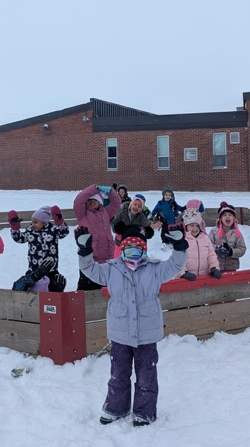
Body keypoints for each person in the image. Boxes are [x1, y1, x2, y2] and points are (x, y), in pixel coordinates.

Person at [75, 222, 188, 427]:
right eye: (128, 249)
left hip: (146, 333)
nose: (132, 254)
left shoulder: (154, 269)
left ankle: (144, 411)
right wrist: (85, 251)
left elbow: (175, 265)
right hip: (120, 334)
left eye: (137, 249)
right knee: (118, 374)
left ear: (143, 250)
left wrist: (180, 245)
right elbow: (89, 269)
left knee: (146, 375)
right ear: (122, 250)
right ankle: (116, 408)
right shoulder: (111, 269)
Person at [9, 205, 70, 292]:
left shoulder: (52, 230)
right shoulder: (30, 231)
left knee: (54, 286)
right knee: (28, 287)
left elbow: (64, 232)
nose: (33, 224)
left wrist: (60, 222)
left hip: (51, 270)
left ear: (44, 222)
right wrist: (15, 229)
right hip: (34, 270)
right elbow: (19, 238)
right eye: (32, 222)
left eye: (36, 222)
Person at [73, 183, 121, 291]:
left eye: (95, 200)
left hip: (107, 258)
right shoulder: (82, 214)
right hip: (90, 259)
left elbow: (117, 202)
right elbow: (79, 200)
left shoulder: (106, 212)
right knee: (87, 288)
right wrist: (94, 188)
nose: (92, 202)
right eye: (89, 201)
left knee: (107, 290)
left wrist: (110, 191)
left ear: (100, 202)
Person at [179, 209, 221, 280]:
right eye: (192, 225)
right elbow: (178, 259)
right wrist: (184, 273)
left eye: (197, 226)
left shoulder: (205, 238)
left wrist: (214, 267)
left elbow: (211, 255)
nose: (195, 228)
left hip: (203, 278)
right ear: (186, 226)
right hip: (186, 280)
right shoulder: (181, 241)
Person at [211, 201, 247, 272]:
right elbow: (208, 244)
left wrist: (231, 252)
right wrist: (217, 249)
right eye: (224, 215)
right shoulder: (214, 231)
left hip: (231, 267)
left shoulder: (237, 233)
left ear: (233, 219)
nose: (227, 216)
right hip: (216, 267)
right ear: (220, 219)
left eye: (230, 215)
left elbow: (242, 248)